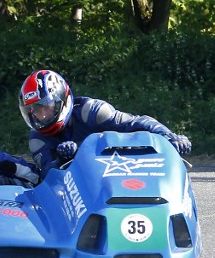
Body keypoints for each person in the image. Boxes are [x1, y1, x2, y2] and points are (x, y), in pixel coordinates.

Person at [18, 69, 192, 178]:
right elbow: (47, 175)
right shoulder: (38, 138)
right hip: (80, 189)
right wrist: (61, 161)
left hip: (119, 172)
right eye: (35, 111)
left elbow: (135, 123)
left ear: (61, 100)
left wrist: (169, 136)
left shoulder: (92, 111)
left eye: (45, 107)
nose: (42, 115)